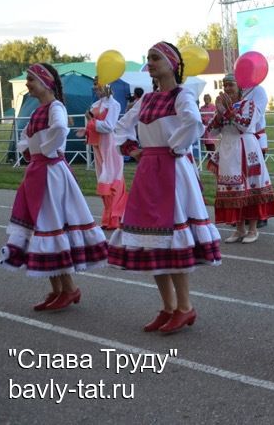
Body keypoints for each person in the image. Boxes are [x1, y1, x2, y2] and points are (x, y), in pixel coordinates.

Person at [108, 42, 222, 333]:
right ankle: (168, 307)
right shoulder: (147, 98)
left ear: (173, 63)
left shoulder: (182, 95)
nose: (151, 62)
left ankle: (184, 306)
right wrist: (134, 150)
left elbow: (194, 123)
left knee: (173, 238)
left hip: (172, 169)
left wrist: (174, 147)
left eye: (156, 57)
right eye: (149, 58)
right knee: (152, 240)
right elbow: (122, 127)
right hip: (150, 170)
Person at [0, 63, 108, 310]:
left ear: (46, 83)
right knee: (43, 229)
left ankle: (68, 289)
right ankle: (58, 289)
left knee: (50, 226)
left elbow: (61, 128)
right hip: (40, 173)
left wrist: (46, 151)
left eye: (31, 79)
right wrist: (30, 150)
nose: (27, 84)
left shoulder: (55, 107)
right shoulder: (40, 110)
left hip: (50, 174)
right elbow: (27, 137)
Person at [208, 74, 274, 244]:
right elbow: (211, 132)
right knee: (233, 189)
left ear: (239, 87)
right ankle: (239, 229)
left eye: (231, 85)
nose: (227, 88)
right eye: (225, 85)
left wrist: (228, 111)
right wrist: (219, 115)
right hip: (228, 150)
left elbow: (246, 125)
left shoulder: (249, 104)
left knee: (250, 188)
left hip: (246, 149)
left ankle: (253, 229)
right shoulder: (221, 106)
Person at [78, 78, 128, 230]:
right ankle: (108, 218)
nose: (94, 88)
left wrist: (91, 123)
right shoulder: (95, 105)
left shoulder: (114, 105)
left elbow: (108, 126)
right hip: (98, 145)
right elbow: (94, 124)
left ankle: (116, 217)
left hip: (110, 145)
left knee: (112, 178)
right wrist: (86, 130)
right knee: (102, 179)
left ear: (106, 86)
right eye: (94, 85)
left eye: (97, 85)